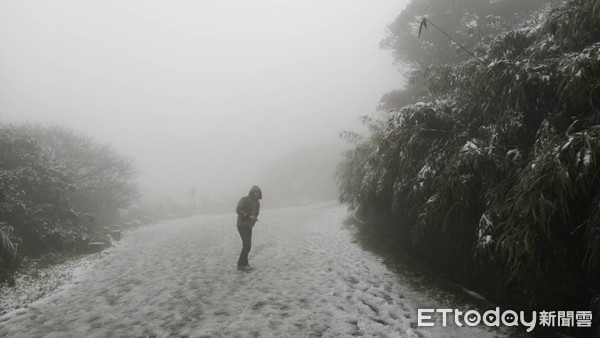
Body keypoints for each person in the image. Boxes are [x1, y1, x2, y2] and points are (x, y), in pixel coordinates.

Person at [235, 185, 262, 271]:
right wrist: (247, 216)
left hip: (249, 226)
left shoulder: (257, 203)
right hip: (242, 225)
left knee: (246, 245)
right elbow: (238, 209)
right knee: (247, 245)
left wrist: (254, 219)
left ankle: (241, 264)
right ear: (251, 192)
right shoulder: (245, 199)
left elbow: (256, 213)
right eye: (255, 192)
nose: (256, 194)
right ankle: (243, 264)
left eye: (258, 192)